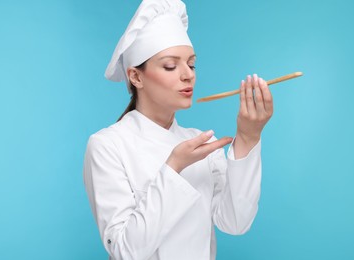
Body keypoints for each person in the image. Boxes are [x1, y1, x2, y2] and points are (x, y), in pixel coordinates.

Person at [83, 0, 273, 259]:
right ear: (136, 77)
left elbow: (235, 223)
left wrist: (249, 136)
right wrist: (173, 168)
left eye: (191, 64)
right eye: (171, 66)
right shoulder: (108, 145)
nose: (188, 75)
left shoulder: (200, 142)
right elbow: (125, 251)